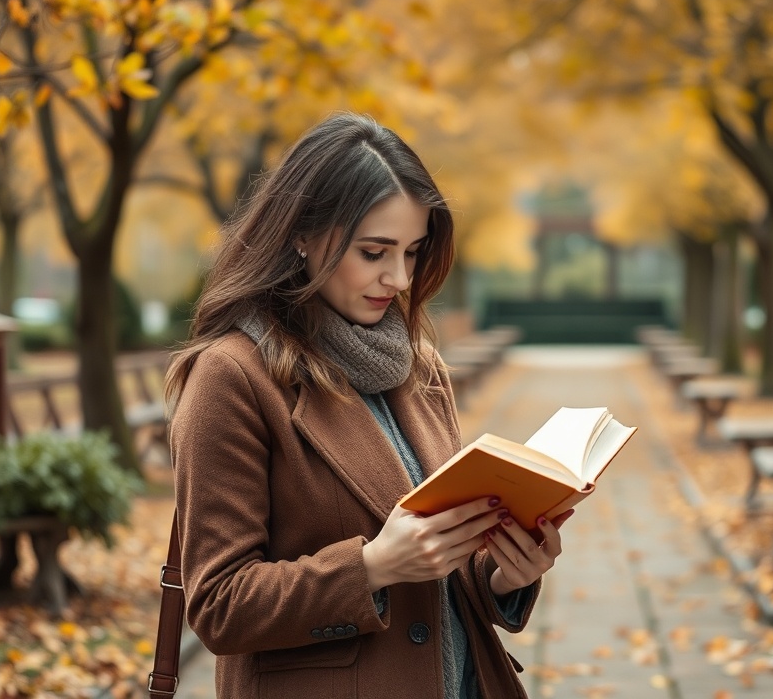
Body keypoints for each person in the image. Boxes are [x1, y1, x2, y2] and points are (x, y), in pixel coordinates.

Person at [165, 112, 572, 698]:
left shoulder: (417, 366)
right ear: (302, 236)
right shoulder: (232, 377)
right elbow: (220, 606)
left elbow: (442, 573)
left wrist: (506, 574)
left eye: (412, 252)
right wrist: (373, 566)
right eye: (375, 252)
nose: (399, 278)